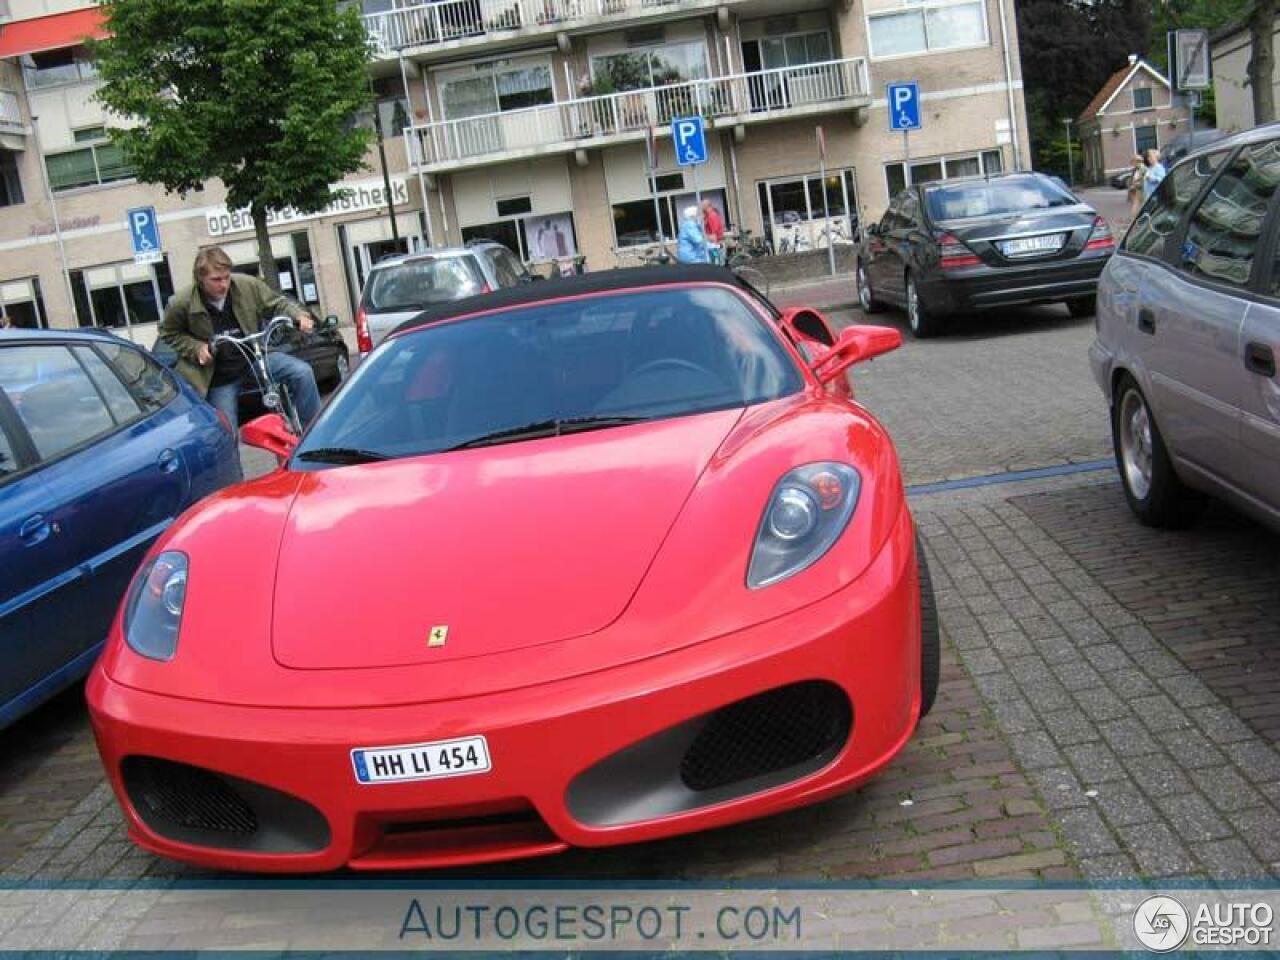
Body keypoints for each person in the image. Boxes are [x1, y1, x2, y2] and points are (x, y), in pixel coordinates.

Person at [160, 246, 321, 430]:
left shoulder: (247, 285)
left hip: (254, 358)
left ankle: (313, 431)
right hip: (219, 373)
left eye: (227, 277)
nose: (224, 285)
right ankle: (232, 458)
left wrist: (298, 316)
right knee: (227, 430)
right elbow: (169, 332)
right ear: (200, 279)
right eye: (216, 280)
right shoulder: (181, 302)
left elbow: (277, 304)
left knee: (302, 372)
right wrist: (196, 348)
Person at [701, 199, 725, 264]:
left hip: (715, 243)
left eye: (702, 206)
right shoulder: (709, 215)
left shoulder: (712, 216)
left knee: (717, 263)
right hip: (715, 243)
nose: (701, 208)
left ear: (706, 206)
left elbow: (714, 233)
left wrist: (715, 247)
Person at [1126, 153, 1147, 220]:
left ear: (1137, 161)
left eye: (1133, 162)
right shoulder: (1135, 169)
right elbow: (1133, 178)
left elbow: (1145, 180)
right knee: (1135, 205)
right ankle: (1135, 219)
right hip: (1134, 191)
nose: (1133, 164)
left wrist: (1136, 185)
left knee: (1139, 205)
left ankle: (1135, 220)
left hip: (1141, 191)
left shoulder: (1144, 169)